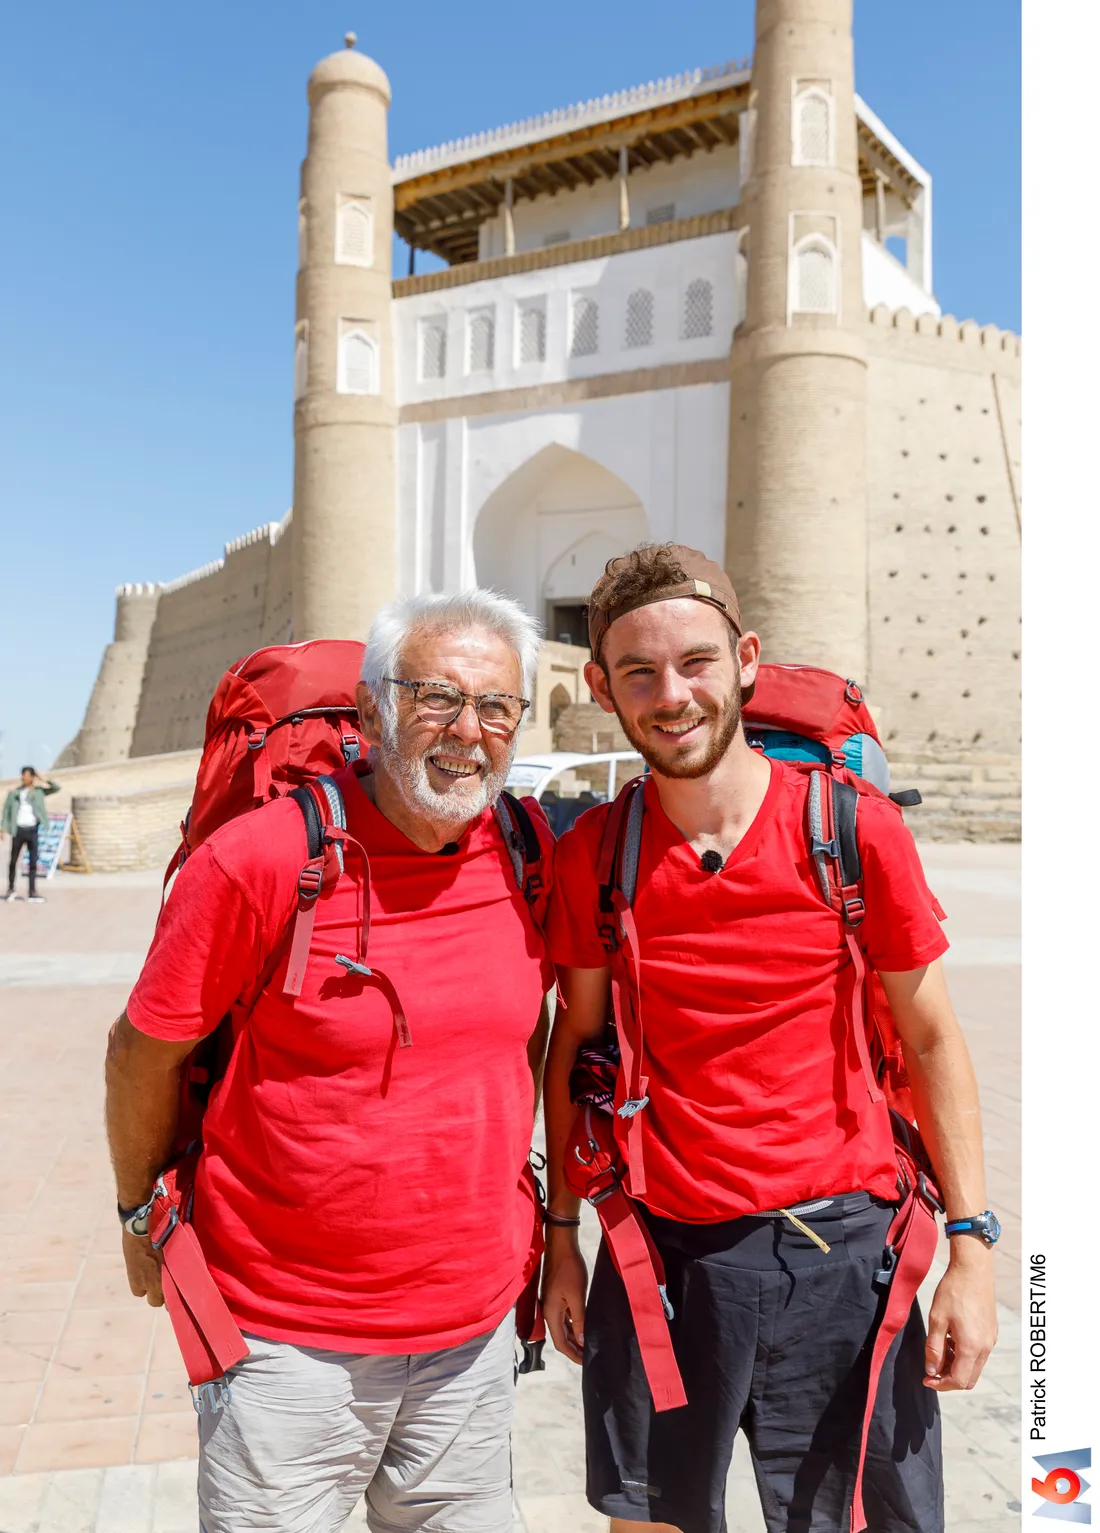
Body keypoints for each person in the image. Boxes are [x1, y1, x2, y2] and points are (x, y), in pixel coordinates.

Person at [540, 544, 999, 1533]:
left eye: (696, 661)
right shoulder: (593, 855)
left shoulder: (851, 831)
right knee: (649, 1522)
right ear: (599, 686)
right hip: (654, 1256)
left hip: (838, 1255)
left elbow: (930, 1036)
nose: (672, 695)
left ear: (744, 657)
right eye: (638, 672)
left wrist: (969, 1247)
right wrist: (558, 1240)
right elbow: (569, 1042)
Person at [104, 590, 554, 1533]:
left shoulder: (526, 851)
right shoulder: (263, 857)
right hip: (283, 1343)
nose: (468, 731)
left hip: (469, 1333)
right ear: (371, 709)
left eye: (496, 706)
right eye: (436, 697)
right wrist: (141, 1209)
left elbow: (535, 1035)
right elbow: (142, 1050)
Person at [3, 766, 60, 902]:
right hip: (18, 830)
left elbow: (56, 788)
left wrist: (44, 779)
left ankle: (32, 891)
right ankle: (11, 889)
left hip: (32, 830)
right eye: (23, 775)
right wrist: (3, 828)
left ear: (33, 777)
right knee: (13, 860)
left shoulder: (39, 792)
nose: (24, 778)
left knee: (33, 862)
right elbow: (6, 811)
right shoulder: (15, 793)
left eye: (28, 775)